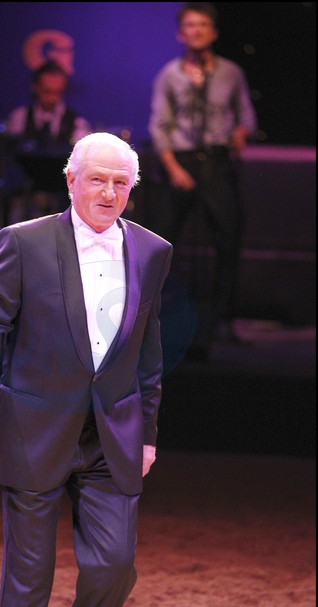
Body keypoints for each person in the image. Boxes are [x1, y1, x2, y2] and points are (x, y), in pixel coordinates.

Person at [0, 132, 173, 607]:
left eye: (120, 183)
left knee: (114, 568)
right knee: (28, 581)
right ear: (71, 181)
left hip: (111, 435)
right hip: (34, 427)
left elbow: (148, 351)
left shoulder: (153, 251)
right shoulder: (23, 242)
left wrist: (146, 433)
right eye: (97, 179)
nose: (108, 193)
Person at [148, 2, 257, 356]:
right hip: (180, 161)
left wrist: (240, 133)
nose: (196, 31)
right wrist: (173, 168)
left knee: (228, 237)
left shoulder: (231, 73)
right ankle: (154, 317)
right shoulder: (169, 75)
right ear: (181, 33)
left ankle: (222, 318)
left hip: (217, 161)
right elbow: (159, 125)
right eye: (190, 25)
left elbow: (245, 115)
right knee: (161, 241)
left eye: (203, 25)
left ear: (214, 32)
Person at [3, 59, 91, 222]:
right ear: (35, 87)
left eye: (58, 92)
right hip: (24, 196)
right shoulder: (19, 118)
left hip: (62, 200)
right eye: (47, 91)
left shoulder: (76, 124)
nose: (52, 98)